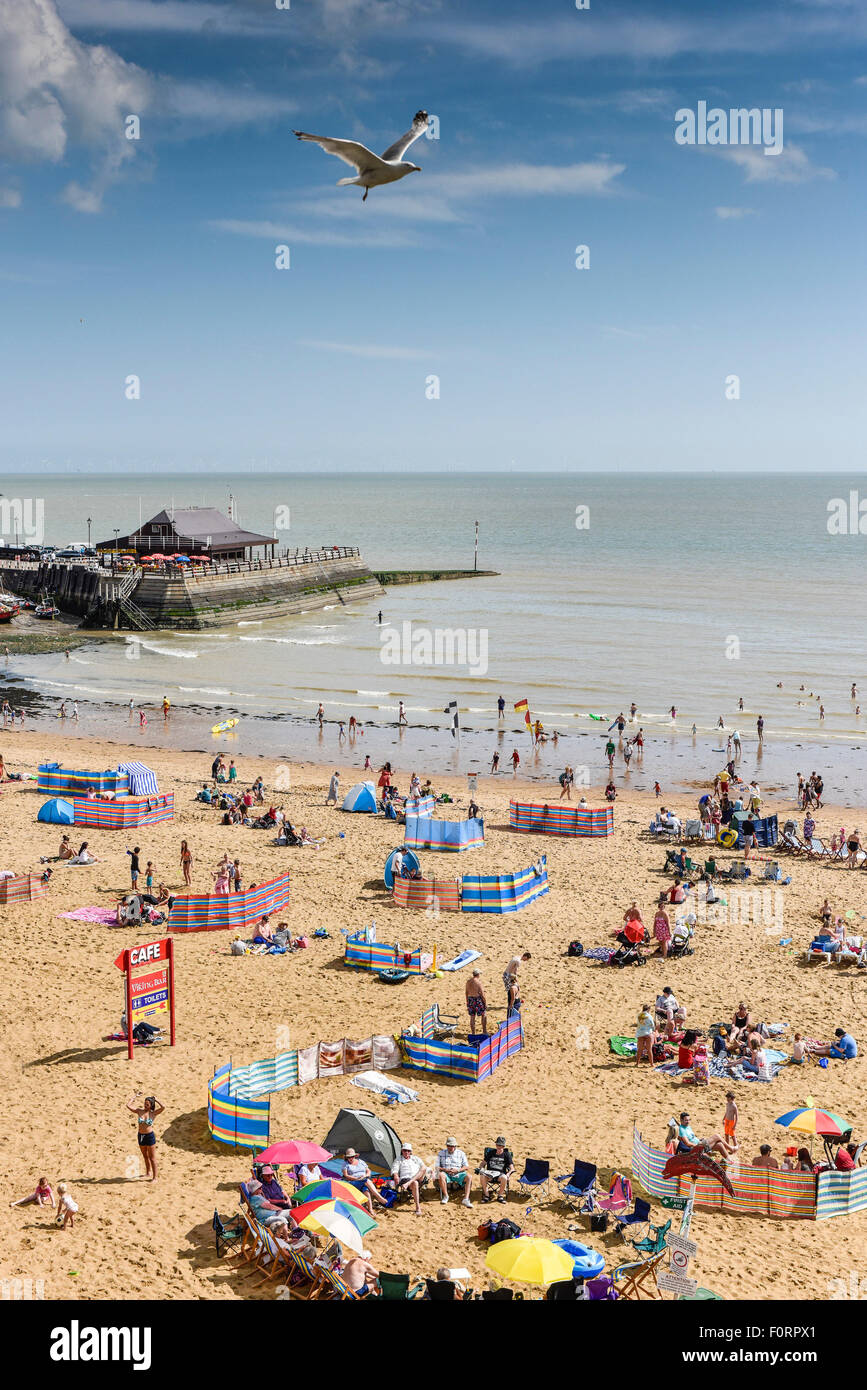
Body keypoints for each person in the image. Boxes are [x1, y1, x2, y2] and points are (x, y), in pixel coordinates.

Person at [127, 1093, 164, 1180]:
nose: (145, 1105)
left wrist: (156, 1099)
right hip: (141, 1136)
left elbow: (163, 1107)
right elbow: (128, 1105)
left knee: (152, 1158)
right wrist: (134, 1097)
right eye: (145, 1103)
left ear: (151, 1105)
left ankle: (155, 1178)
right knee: (145, 1156)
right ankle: (148, 1173)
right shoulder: (139, 1111)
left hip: (149, 1136)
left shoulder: (153, 1113)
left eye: (147, 1104)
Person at [387, 1143, 428, 1214]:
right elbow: (394, 1169)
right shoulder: (398, 1159)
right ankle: (418, 1207)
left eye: (408, 1151)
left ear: (411, 1152)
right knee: (415, 1183)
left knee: (424, 1168)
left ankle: (410, 1183)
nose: (406, 1152)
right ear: (402, 1151)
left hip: (416, 1178)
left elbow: (424, 1167)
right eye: (405, 1150)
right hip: (406, 1179)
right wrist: (396, 1175)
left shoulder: (415, 1158)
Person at [436, 1138, 472, 1207]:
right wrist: (445, 1169)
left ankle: (466, 1199)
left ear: (455, 1146)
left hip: (458, 1173)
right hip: (446, 1173)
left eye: (452, 1146)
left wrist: (458, 1170)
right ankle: (446, 1196)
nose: (450, 1147)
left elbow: (466, 1167)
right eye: (449, 1145)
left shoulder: (461, 1153)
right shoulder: (441, 1153)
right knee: (440, 1175)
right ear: (446, 1145)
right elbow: (437, 1167)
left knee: (469, 1177)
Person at [478, 1137, 514, 1203]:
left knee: (504, 1177)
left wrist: (508, 1174)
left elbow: (512, 1168)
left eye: (501, 1145)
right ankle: (487, 1196)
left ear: (503, 1146)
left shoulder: (507, 1154)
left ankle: (500, 1196)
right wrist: (481, 1169)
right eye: (497, 1145)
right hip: (489, 1175)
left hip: (500, 1175)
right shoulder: (491, 1153)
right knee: (482, 1176)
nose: (499, 1147)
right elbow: (482, 1164)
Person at [465, 970, 487, 1034]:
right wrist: (485, 1002)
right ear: (478, 974)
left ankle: (473, 1033)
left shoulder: (468, 982)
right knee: (483, 1014)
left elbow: (466, 992)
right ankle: (484, 1031)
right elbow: (482, 994)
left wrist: (467, 1001)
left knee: (472, 1017)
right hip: (477, 999)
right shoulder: (478, 982)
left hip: (470, 999)